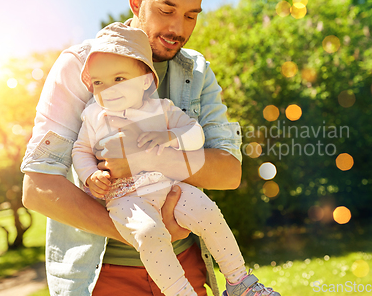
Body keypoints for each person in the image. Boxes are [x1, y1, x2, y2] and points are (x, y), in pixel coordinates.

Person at [21, 0, 245, 295]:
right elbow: (38, 187)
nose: (177, 28)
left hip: (188, 265)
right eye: (166, 10)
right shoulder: (79, 67)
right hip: (103, 277)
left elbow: (228, 172)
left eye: (190, 16)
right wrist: (146, 233)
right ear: (137, 0)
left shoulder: (197, 72)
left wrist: (145, 159)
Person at [71, 23, 281, 296]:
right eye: (98, 82)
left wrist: (169, 136)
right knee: (149, 234)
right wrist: (90, 175)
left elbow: (196, 135)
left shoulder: (161, 110)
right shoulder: (94, 116)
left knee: (208, 212)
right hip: (126, 198)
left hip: (169, 187)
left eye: (119, 79)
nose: (107, 89)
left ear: (145, 79)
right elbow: (80, 150)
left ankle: (239, 281)